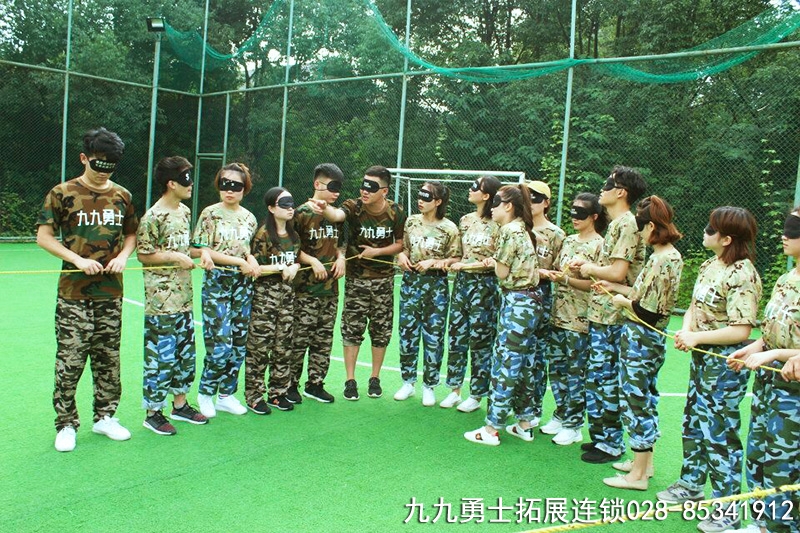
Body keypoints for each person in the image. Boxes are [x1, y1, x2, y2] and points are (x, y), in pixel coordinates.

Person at [656, 207, 761, 533]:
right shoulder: (710, 265)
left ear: (726, 239)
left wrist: (697, 337)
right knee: (693, 423)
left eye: (711, 229)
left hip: (725, 363)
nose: (705, 232)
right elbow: (693, 306)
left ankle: (727, 509)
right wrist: (687, 330)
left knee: (720, 435)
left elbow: (741, 330)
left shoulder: (743, 274)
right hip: (702, 358)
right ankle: (691, 484)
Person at [37, 127, 138, 452]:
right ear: (84, 158)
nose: (103, 172)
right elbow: (44, 237)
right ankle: (66, 424)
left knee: (108, 358)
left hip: (111, 293)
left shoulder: (122, 196)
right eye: (98, 164)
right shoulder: (62, 192)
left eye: (110, 166)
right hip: (74, 294)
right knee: (70, 359)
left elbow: (131, 235)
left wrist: (123, 257)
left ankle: (105, 417)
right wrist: (76, 259)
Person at [591, 196, 683, 492]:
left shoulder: (663, 259)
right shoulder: (665, 256)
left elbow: (648, 311)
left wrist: (622, 301)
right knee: (644, 398)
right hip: (642, 337)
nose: (640, 234)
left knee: (636, 401)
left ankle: (638, 476)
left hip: (642, 338)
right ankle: (644, 463)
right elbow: (643, 293)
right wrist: (616, 287)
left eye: (642, 228)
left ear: (652, 227)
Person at [727, 206, 800, 533]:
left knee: (785, 464)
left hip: (794, 391)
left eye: (794, 229)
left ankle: (781, 527)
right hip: (769, 385)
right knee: (758, 454)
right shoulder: (786, 279)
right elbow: (774, 330)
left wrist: (776, 354)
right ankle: (761, 523)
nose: (785, 235)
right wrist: (755, 347)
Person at [310, 165, 406, 400]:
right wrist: (324, 208)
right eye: (364, 185)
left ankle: (375, 378)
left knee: (381, 331)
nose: (365, 190)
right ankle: (350, 380)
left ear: (384, 191)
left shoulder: (396, 211)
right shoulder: (354, 206)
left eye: (371, 187)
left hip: (383, 281)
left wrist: (378, 252)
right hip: (356, 281)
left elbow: (400, 244)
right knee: (351, 330)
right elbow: (337, 215)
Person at [576, 166, 647, 463]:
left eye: (608, 185)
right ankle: (602, 437)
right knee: (597, 377)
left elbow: (618, 272)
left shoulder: (627, 223)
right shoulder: (618, 224)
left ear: (621, 192)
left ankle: (612, 443)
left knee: (606, 379)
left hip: (613, 315)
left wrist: (588, 267)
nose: (601, 189)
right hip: (601, 312)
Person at [464, 184, 541, 446]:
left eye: (496, 203)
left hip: (518, 302)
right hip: (528, 302)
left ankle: (491, 428)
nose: (492, 208)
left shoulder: (509, 230)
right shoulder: (522, 229)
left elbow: (502, 272)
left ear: (508, 206)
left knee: (506, 363)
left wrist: (494, 263)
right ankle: (524, 423)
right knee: (523, 364)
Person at [136, 156, 208, 435]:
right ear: (170, 184)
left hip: (184, 299)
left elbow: (185, 248)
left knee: (185, 354)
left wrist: (203, 254)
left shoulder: (185, 212)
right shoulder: (152, 217)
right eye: (185, 179)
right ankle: (153, 412)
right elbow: (144, 254)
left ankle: (180, 405)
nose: (191, 184)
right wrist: (174, 257)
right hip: (161, 302)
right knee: (160, 358)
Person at [539, 193, 606, 445]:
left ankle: (574, 424)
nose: (575, 218)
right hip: (558, 316)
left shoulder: (599, 245)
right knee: (557, 369)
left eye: (581, 213)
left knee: (576, 372)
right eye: (573, 212)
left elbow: (597, 285)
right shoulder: (568, 241)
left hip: (580, 320)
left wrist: (566, 279)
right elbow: (558, 269)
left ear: (594, 216)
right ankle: (561, 413)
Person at [192, 163, 259, 418]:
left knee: (239, 343)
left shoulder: (249, 218)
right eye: (224, 184)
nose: (229, 190)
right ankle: (206, 393)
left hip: (243, 285)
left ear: (245, 188)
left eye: (236, 186)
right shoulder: (210, 214)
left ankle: (226, 395)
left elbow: (247, 248)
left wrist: (250, 259)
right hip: (217, 283)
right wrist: (239, 261)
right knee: (220, 344)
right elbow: (199, 249)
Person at [394, 181, 461, 406]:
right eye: (419, 195)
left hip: (436, 288)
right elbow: (404, 248)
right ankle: (408, 382)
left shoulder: (449, 228)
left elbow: (456, 258)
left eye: (426, 197)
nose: (420, 200)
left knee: (434, 338)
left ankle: (429, 385)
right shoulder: (411, 221)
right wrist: (401, 257)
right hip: (410, 284)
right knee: (407, 334)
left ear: (438, 201)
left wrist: (434, 262)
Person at [245, 187, 310, 413]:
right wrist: (280, 267)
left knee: (283, 346)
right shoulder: (263, 234)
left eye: (291, 203)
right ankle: (254, 395)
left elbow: (296, 260)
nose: (290, 208)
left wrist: (295, 266)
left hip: (287, 299)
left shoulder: (293, 237)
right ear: (272, 208)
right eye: (284, 204)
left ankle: (278, 392)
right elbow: (254, 268)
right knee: (259, 347)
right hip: (265, 299)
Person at [441, 176, 502, 412]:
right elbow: (458, 254)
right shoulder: (465, 220)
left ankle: (476, 394)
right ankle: (454, 390)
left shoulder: (498, 223)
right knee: (456, 336)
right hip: (461, 285)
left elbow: (500, 259)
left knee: (480, 340)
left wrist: (474, 265)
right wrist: (448, 262)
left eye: (476, 187)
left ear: (486, 195)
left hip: (485, 287)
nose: (470, 189)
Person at [290, 164, 346, 404]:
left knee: (323, 340)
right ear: (317, 184)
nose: (336, 193)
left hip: (330, 290)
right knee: (299, 338)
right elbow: (290, 248)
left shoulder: (336, 216)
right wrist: (312, 261)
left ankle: (315, 384)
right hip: (304, 290)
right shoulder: (300, 213)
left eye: (338, 188)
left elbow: (341, 244)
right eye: (331, 186)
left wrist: (341, 258)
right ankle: (290, 384)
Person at [525, 180, 566, 433]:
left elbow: (560, 271)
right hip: (516, 296)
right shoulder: (518, 228)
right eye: (527, 196)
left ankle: (534, 409)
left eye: (536, 198)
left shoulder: (556, 234)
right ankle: (519, 406)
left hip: (541, 295)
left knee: (538, 355)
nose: (531, 202)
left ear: (546, 203)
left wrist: (540, 273)